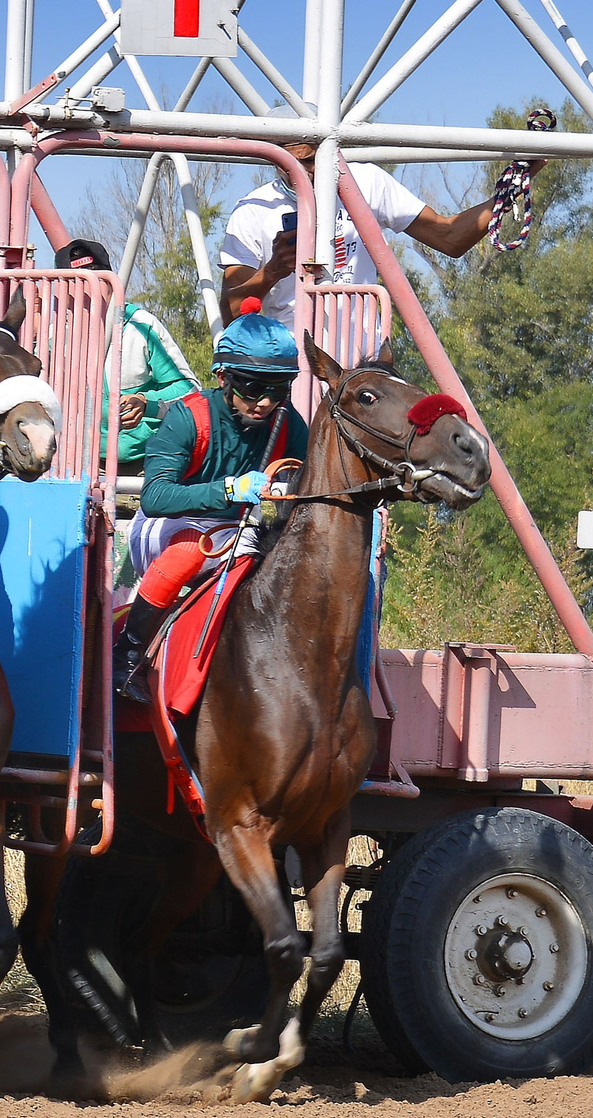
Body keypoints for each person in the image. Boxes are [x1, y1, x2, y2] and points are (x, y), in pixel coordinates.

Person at [112, 301, 308, 701]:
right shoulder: (188, 418)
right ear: (223, 377)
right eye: (252, 387)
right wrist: (228, 490)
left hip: (237, 531)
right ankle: (126, 655)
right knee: (189, 551)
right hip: (165, 526)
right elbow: (154, 497)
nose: (264, 402)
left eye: (276, 390)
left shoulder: (288, 424)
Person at [217, 138, 505, 331]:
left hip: (365, 353)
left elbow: (449, 238)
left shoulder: (364, 181)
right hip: (295, 357)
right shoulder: (254, 209)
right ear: (273, 160)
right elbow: (231, 312)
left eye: (310, 160)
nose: (304, 173)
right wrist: (272, 271)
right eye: (291, 164)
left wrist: (512, 188)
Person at [54, 237, 201, 472]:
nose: (84, 291)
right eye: (74, 282)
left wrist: (146, 403)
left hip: (148, 464)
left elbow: (190, 391)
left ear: (112, 283)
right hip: (76, 464)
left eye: (94, 279)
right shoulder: (54, 336)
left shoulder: (142, 326)